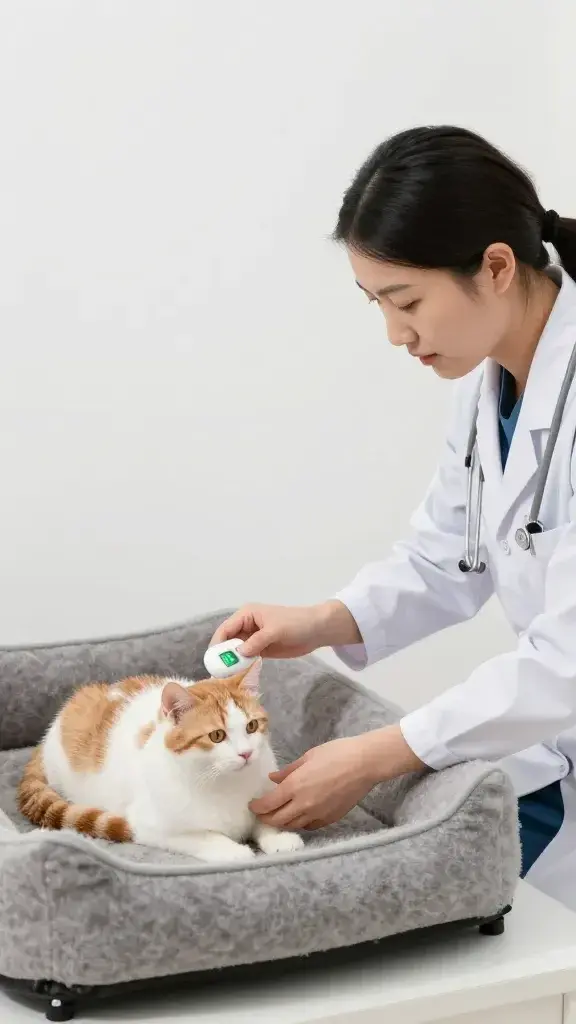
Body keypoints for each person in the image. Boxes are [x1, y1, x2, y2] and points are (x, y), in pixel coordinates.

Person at [212, 126, 576, 911]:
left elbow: (569, 658)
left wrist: (377, 755)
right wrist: (319, 621)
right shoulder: (484, 391)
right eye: (376, 303)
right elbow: (447, 556)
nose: (394, 334)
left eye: (406, 301)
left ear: (498, 267)